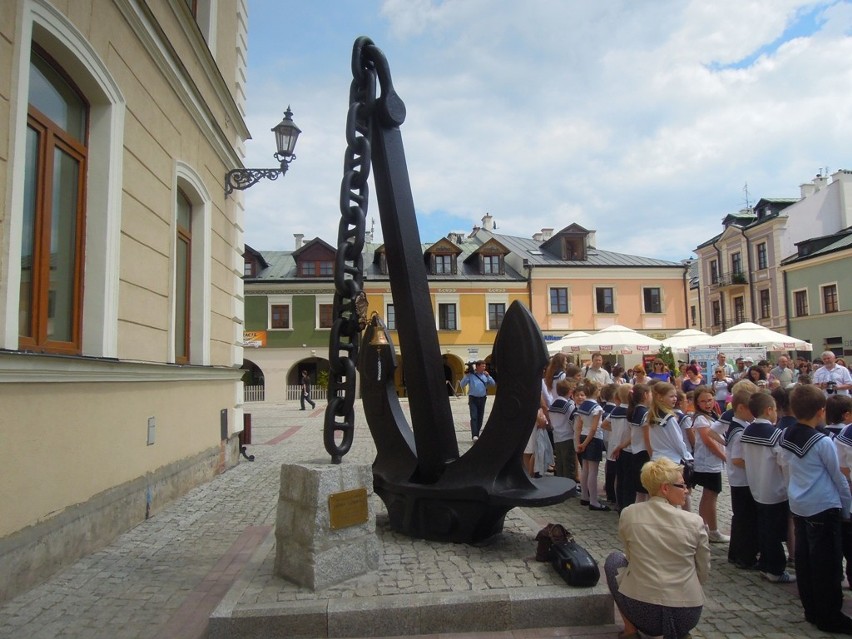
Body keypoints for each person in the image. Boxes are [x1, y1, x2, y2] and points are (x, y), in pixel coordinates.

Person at [604, 457, 710, 639]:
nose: (686, 491)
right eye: (682, 486)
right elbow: (703, 571)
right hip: (687, 612)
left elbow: (630, 558)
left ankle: (630, 630)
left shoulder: (629, 513)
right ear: (665, 488)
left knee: (614, 561)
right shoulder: (695, 521)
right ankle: (679, 631)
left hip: (642, 608)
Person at [780, 384, 852, 634]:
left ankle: (811, 608)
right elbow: (838, 477)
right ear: (821, 411)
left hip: (799, 504)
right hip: (823, 506)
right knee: (828, 565)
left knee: (807, 560)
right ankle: (829, 615)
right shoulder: (822, 442)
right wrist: (847, 508)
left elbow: (784, 465)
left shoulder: (787, 434)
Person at [740, 392, 795, 583]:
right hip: (774, 488)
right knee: (773, 531)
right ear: (769, 410)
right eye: (775, 410)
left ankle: (765, 563)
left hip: (756, 485)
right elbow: (783, 461)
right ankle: (775, 568)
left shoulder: (747, 430)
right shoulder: (775, 434)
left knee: (764, 527)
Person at [725, 388, 760, 569]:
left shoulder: (739, 426)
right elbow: (737, 459)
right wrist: (756, 464)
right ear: (740, 408)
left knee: (740, 518)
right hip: (742, 480)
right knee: (745, 520)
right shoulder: (739, 431)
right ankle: (745, 557)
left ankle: (736, 553)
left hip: (738, 480)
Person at [690, 386, 729, 543]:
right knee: (710, 495)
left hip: (711, 462)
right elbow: (708, 441)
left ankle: (705, 526)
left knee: (710, 494)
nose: (707, 404)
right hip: (707, 462)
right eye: (703, 401)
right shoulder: (701, 419)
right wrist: (724, 456)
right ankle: (712, 529)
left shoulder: (712, 415)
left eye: (710, 400)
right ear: (697, 403)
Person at [575, 380, 610, 511]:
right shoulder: (597, 408)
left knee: (585, 469)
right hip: (593, 439)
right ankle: (594, 500)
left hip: (583, 436)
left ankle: (584, 496)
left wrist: (579, 442)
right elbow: (595, 428)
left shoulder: (582, 406)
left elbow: (578, 426)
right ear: (596, 392)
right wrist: (585, 443)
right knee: (593, 471)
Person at [548, 379, 577, 482]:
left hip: (557, 437)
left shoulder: (552, 405)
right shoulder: (569, 406)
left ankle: (559, 484)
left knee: (559, 462)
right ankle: (569, 486)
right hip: (567, 437)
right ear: (570, 392)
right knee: (569, 463)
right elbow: (573, 421)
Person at [460, 360, 495, 441]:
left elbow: (493, 384)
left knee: (480, 417)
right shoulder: (471, 375)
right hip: (473, 399)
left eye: (485, 366)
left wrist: (489, 376)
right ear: (477, 366)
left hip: (482, 399)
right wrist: (466, 376)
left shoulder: (485, 376)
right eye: (483, 366)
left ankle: (477, 434)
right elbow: (462, 385)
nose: (484, 368)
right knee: (474, 417)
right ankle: (474, 435)